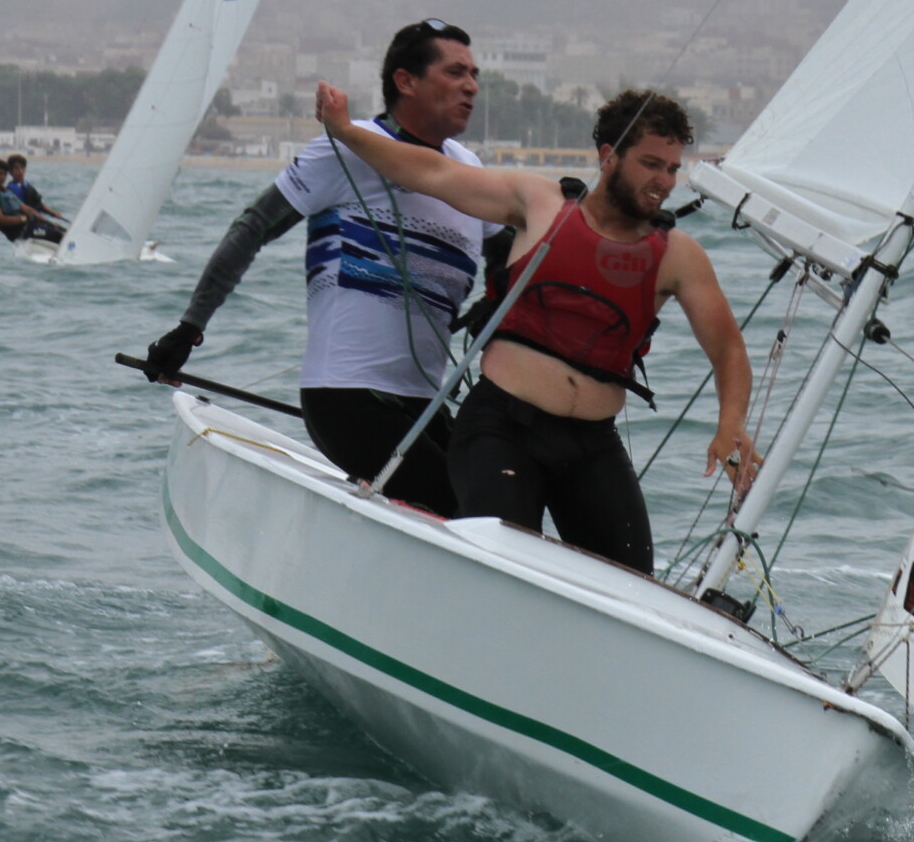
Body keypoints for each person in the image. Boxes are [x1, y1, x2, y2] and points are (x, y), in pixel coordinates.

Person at [308, 81, 755, 575]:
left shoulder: (678, 256)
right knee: (504, 567)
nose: (665, 182)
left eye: (672, 168)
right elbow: (431, 172)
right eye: (651, 164)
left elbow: (728, 350)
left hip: (592, 446)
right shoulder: (541, 203)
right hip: (501, 429)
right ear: (609, 157)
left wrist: (730, 424)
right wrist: (344, 130)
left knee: (633, 583)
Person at [141, 19, 491, 517]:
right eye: (456, 72)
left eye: (474, 74)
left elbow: (512, 252)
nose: (471, 86)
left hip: (423, 400)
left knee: (491, 510)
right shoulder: (344, 149)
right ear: (406, 81)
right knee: (458, 507)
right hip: (346, 397)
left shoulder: (468, 169)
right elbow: (253, 228)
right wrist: (190, 327)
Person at [0, 158, 64, 244]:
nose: (2, 177)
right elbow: (1, 219)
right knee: (58, 235)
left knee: (62, 231)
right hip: (20, 233)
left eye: (4, 174)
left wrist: (49, 223)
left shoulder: (6, 192)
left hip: (30, 227)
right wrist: (24, 219)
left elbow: (27, 209)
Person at [5, 154, 65, 224]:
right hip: (27, 222)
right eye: (17, 168)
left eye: (22, 168)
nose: (20, 171)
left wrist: (53, 213)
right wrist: (49, 222)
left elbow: (38, 203)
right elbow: (27, 210)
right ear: (10, 171)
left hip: (38, 220)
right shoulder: (11, 189)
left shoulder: (26, 185)